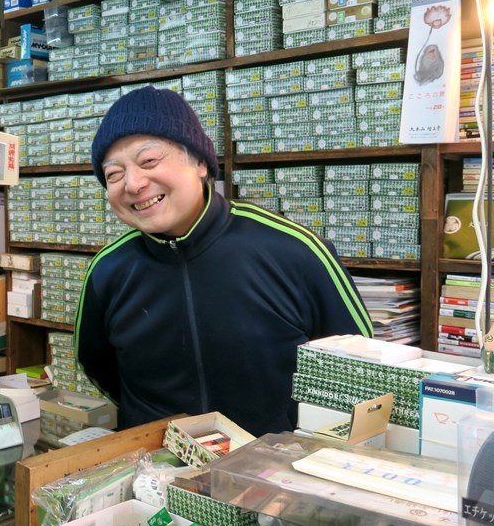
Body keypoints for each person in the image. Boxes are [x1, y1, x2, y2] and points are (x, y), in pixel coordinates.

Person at [75, 86, 372, 437]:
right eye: (114, 174)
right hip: (155, 462)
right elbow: (97, 365)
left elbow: (358, 365)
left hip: (275, 463)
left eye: (149, 161)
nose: (134, 183)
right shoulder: (108, 271)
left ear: (200, 163)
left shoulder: (293, 249)